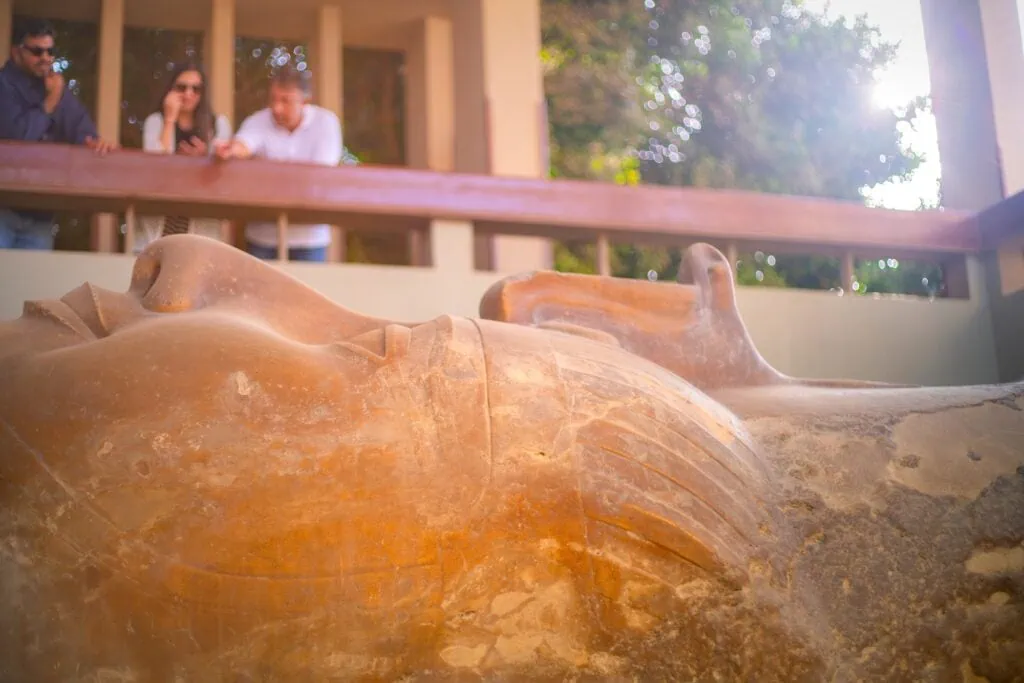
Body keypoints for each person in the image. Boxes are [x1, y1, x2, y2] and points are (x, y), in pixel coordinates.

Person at [0, 17, 116, 250]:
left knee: (32, 286)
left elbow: (83, 132)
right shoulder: (3, 84)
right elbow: (18, 139)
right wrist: (50, 103)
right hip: (3, 208)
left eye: (50, 51)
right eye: (36, 51)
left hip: (40, 215)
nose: (45, 58)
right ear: (16, 52)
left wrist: (95, 143)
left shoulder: (54, 86)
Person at [213, 66, 342, 262]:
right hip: (262, 236)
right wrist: (231, 150)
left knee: (306, 293)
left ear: (304, 101)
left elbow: (321, 173)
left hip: (310, 238)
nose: (277, 108)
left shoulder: (326, 122)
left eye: (286, 101)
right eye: (273, 99)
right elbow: (245, 143)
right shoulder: (257, 120)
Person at [136, 62, 232, 252]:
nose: (188, 94)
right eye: (182, 87)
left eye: (196, 89)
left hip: (200, 216)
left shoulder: (218, 124)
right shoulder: (156, 121)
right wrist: (170, 119)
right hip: (163, 213)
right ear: (170, 89)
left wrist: (204, 158)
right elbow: (155, 163)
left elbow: (223, 168)